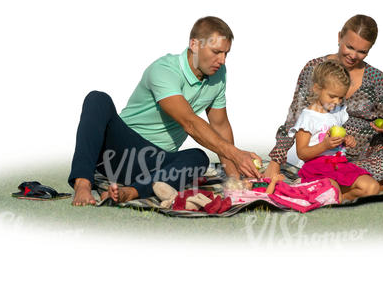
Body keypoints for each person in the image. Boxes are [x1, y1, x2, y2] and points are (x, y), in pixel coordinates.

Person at [69, 16, 262, 206]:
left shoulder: (219, 75)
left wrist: (234, 179)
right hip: (119, 152)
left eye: (226, 54)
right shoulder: (164, 70)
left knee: (198, 158)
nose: (222, 60)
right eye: (216, 52)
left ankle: (133, 191)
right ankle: (83, 184)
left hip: (157, 164)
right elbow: (189, 123)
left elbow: (220, 126)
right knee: (97, 98)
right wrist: (237, 154)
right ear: (194, 44)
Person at [264, 14, 383, 193]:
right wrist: (276, 160)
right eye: (349, 47)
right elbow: (294, 117)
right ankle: (359, 188)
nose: (353, 55)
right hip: (328, 156)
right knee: (359, 181)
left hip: (372, 153)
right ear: (339, 37)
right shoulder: (314, 70)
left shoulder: (378, 79)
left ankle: (356, 187)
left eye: (362, 51)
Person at [290, 59, 379, 201]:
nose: (337, 101)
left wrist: (347, 139)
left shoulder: (337, 112)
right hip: (317, 168)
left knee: (372, 188)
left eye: (340, 97)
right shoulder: (308, 117)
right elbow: (302, 153)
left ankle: (337, 197)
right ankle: (322, 192)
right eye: (332, 96)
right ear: (316, 88)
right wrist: (324, 146)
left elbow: (339, 136)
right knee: (332, 190)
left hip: (339, 164)